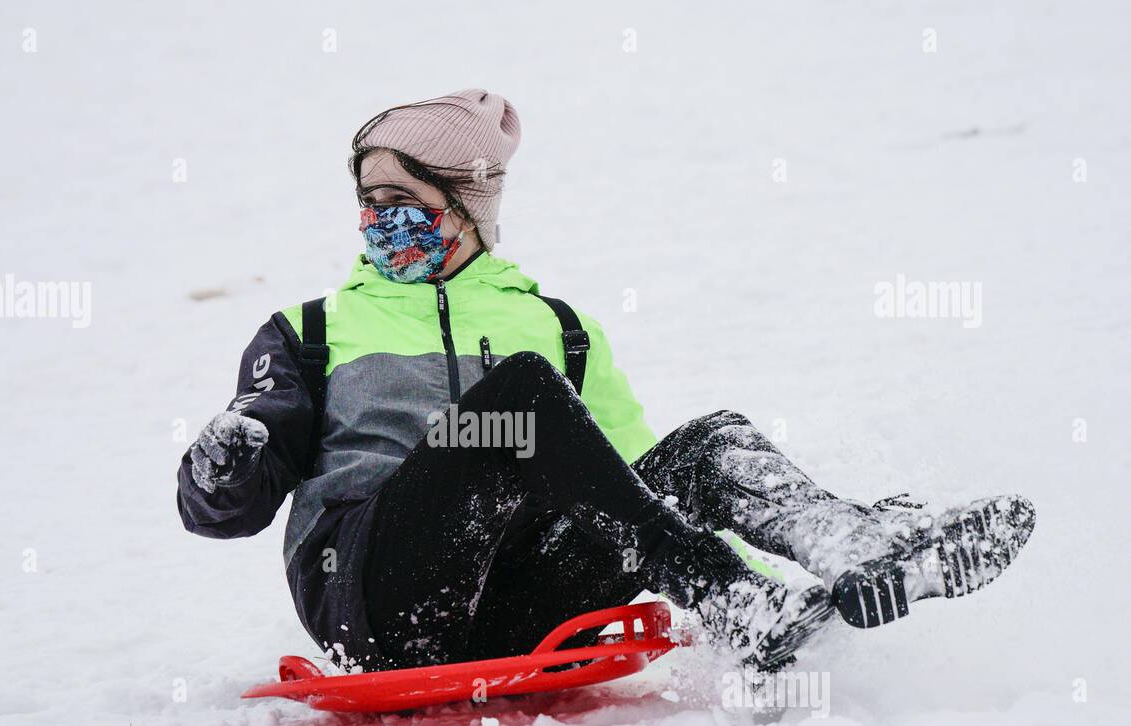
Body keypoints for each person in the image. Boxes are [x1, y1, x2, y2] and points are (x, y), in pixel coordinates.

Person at [177, 89, 1035, 674]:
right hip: (374, 599)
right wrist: (222, 469)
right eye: (367, 201)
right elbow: (231, 509)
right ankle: (732, 599)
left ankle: (848, 545)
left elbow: (626, 484)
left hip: (516, 610)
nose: (378, 222)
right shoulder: (313, 332)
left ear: (467, 204)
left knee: (703, 446)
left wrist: (720, 548)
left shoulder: (558, 328)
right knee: (518, 399)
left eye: (402, 200)